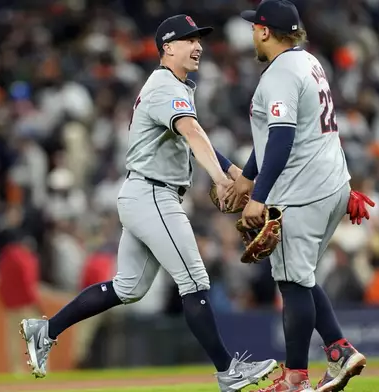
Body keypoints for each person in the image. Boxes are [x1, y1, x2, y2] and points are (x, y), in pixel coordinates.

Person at [20, 14, 278, 392]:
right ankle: (227, 370)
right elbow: (191, 131)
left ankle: (46, 330)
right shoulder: (163, 86)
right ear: (167, 47)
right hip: (153, 194)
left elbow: (197, 137)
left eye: (200, 39)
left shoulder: (175, 86)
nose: (198, 46)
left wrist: (239, 176)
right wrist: (223, 180)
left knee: (128, 288)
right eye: (189, 39)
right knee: (195, 280)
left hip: (145, 194)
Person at [226, 1, 372, 391]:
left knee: (291, 282)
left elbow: (282, 136)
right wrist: (249, 176)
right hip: (333, 186)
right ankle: (339, 350)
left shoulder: (279, 73)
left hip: (304, 192)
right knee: (301, 278)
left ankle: (295, 380)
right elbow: (287, 130)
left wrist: (258, 193)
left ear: (263, 31)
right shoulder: (308, 61)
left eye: (254, 27)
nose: (251, 34)